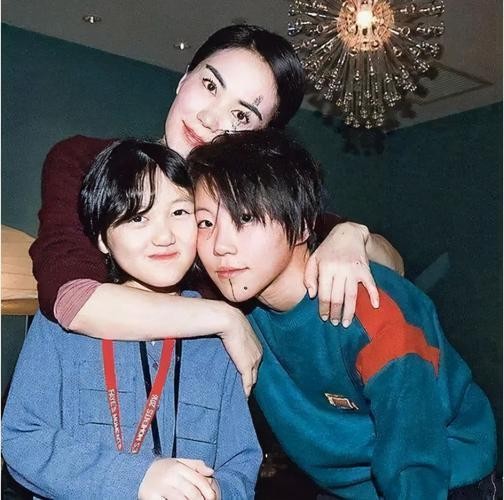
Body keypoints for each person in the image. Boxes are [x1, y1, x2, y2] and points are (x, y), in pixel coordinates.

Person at [29, 25, 404, 395]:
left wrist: (352, 236)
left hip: (195, 410)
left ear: (256, 140)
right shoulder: (87, 162)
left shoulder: (250, 210)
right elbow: (73, 300)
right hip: (78, 398)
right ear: (184, 79)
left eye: (241, 116)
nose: (210, 118)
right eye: (210, 85)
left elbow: (394, 266)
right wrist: (224, 318)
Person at [188, 129, 497, 500]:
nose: (220, 245)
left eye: (247, 216)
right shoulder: (234, 309)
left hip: (444, 479)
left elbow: (414, 458)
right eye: (206, 223)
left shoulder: (369, 308)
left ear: (303, 225)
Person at [2, 139, 261, 500]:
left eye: (179, 212)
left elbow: (241, 466)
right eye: (138, 217)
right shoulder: (61, 324)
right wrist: (135, 478)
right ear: (102, 239)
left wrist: (215, 490)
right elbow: (21, 439)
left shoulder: (220, 339)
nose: (164, 236)